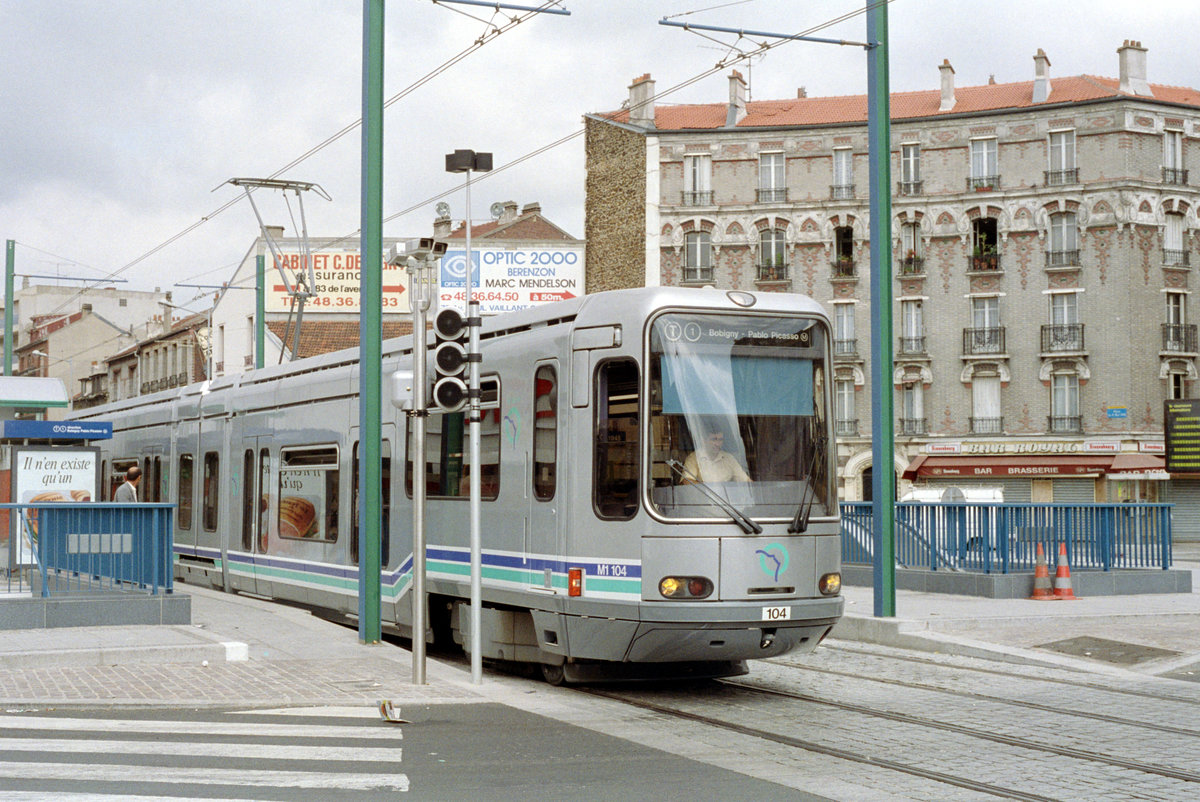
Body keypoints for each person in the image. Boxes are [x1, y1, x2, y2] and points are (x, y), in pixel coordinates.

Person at [682, 429, 751, 483]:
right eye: (714, 439)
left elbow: (746, 481)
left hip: (726, 500)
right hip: (702, 499)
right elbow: (687, 481)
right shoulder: (694, 458)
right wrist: (708, 489)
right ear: (704, 441)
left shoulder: (729, 458)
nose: (717, 444)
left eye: (720, 440)